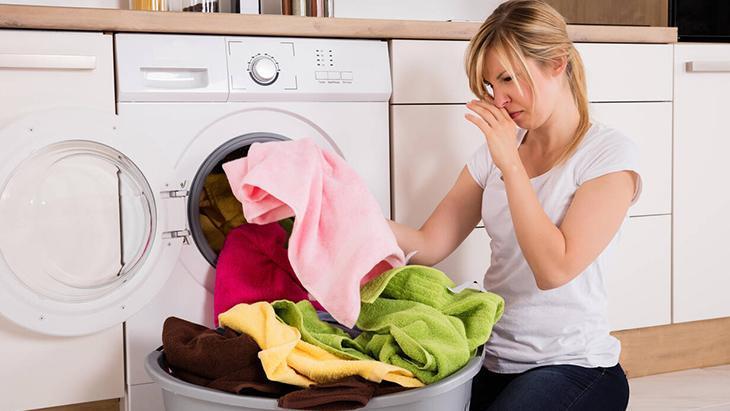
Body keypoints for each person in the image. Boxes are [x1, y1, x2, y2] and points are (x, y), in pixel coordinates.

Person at [387, 1, 640, 409]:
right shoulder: (495, 155)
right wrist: (338, 207)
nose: (499, 100)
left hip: (575, 367)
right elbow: (428, 244)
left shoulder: (607, 156)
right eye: (490, 86)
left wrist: (511, 164)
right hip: (492, 359)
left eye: (507, 78)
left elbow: (553, 270)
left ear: (556, 63)